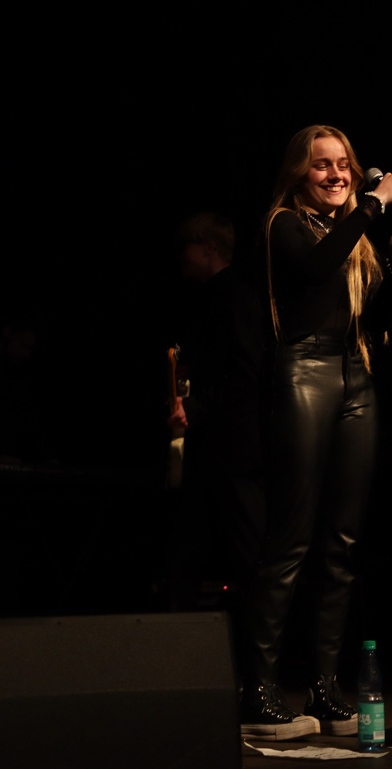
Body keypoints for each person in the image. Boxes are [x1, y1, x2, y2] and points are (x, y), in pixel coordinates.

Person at [240, 125, 392, 739]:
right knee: (291, 538)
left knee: (341, 545)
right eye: (323, 165)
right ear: (300, 173)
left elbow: (378, 322)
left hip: (356, 376)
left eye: (344, 164)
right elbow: (317, 270)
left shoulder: (356, 238)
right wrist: (373, 204)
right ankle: (258, 690)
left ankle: (324, 688)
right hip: (305, 373)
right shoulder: (285, 225)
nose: (337, 174)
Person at [165, 213, 268, 619]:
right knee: (189, 547)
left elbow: (248, 372)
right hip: (214, 443)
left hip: (235, 447)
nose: (180, 256)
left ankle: (261, 646)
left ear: (208, 247)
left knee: (246, 549)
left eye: (186, 247)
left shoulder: (234, 295)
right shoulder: (212, 296)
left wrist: (194, 406)